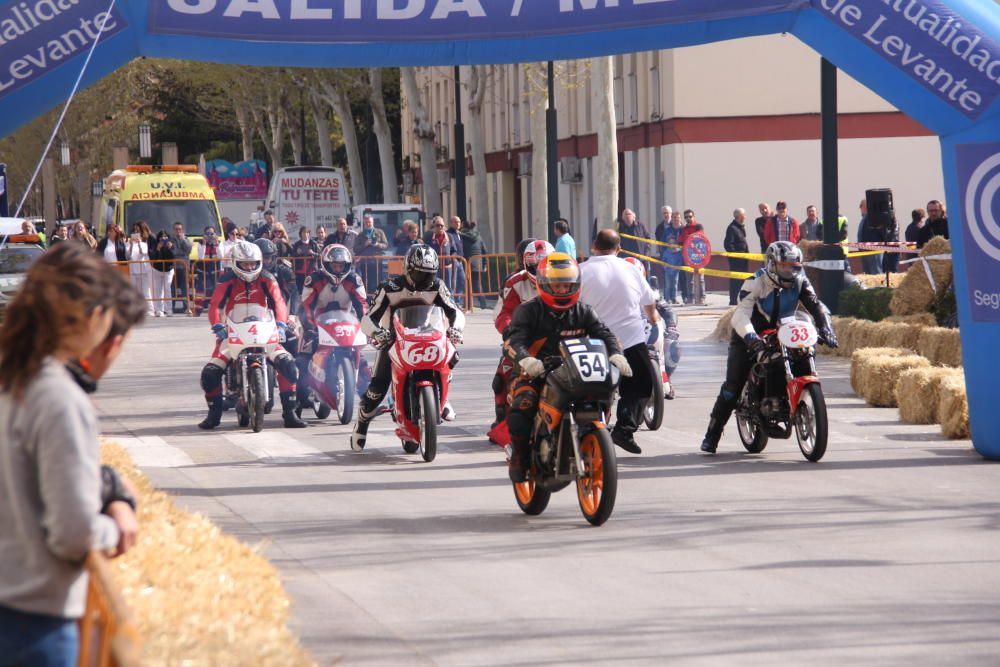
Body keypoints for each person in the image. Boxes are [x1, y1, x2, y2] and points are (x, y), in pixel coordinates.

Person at [0, 243, 138, 667]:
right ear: (95, 318)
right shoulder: (58, 397)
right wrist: (117, 528)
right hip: (35, 622)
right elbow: (73, 533)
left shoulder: (12, 375)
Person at [700, 241, 837, 454]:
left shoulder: (800, 281)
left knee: (802, 357)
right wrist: (752, 339)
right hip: (749, 334)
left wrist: (826, 328)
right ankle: (712, 434)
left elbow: (816, 305)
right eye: (784, 266)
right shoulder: (755, 283)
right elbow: (740, 314)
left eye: (793, 266)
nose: (789, 270)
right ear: (772, 264)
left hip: (784, 331)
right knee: (732, 387)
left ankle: (786, 398)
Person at [504, 252, 630, 481]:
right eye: (557, 285)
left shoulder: (584, 311)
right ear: (544, 284)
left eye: (567, 285)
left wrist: (616, 355)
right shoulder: (528, 311)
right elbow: (513, 342)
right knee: (524, 403)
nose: (562, 290)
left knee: (605, 390)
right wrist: (528, 361)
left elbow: (604, 334)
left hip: (575, 372)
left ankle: (594, 433)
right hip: (534, 373)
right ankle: (520, 457)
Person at [350, 244, 465, 451]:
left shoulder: (437, 286)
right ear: (408, 269)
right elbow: (368, 318)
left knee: (453, 355)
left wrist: (456, 328)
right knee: (377, 388)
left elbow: (454, 311)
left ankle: (443, 398)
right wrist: (377, 333)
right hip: (394, 340)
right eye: (419, 274)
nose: (424, 279)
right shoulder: (389, 287)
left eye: (428, 274)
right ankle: (362, 423)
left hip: (429, 335)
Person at [197, 240, 306, 430]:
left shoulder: (267, 278)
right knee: (209, 373)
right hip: (232, 333)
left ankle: (290, 414)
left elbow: (279, 302)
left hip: (264, 331)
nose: (249, 267)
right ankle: (213, 415)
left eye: (253, 263)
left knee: (288, 364)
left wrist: (281, 324)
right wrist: (217, 325)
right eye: (245, 264)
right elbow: (215, 305)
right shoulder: (226, 279)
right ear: (235, 262)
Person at [579, 229, 658, 454]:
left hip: (593, 341)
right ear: (619, 248)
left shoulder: (582, 271)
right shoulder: (631, 269)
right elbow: (649, 300)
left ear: (594, 245)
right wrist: (653, 319)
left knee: (588, 386)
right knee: (641, 385)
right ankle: (624, 428)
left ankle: (588, 429)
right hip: (630, 340)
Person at [490, 240, 553, 428]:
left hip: (559, 339)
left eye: (545, 265)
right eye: (535, 266)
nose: (540, 271)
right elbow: (504, 312)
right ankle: (502, 418)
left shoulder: (566, 276)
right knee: (503, 373)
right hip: (524, 341)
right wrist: (509, 329)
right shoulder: (515, 282)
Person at [298, 244, 370, 407]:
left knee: (361, 358)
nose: (338, 269)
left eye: (341, 266)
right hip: (316, 324)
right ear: (326, 264)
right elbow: (306, 305)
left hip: (346, 322)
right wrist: (309, 327)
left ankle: (368, 397)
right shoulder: (314, 279)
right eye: (334, 265)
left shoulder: (354, 279)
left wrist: (367, 325)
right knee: (303, 357)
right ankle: (300, 399)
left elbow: (362, 305)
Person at [255, 238, 301, 317]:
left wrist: (292, 315)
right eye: (258, 258)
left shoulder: (284, 272)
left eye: (266, 258)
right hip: (252, 316)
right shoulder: (245, 274)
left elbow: (294, 294)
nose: (262, 262)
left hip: (278, 315)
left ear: (273, 258)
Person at [459, 219, 489, 310]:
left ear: (463, 226)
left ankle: (468, 304)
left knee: (466, 284)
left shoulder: (461, 236)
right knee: (477, 284)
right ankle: (482, 302)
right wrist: (485, 264)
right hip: (478, 262)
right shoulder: (478, 236)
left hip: (466, 262)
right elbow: (485, 250)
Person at [354, 215, 389, 292]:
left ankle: (378, 296)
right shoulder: (360, 234)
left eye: (369, 222)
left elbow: (386, 245)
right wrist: (365, 244)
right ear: (364, 223)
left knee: (378, 280)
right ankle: (368, 298)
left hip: (377, 261)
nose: (368, 224)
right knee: (366, 281)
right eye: (366, 222)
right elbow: (355, 249)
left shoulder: (380, 232)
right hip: (365, 262)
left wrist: (377, 244)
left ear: (373, 222)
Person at [127, 221, 154, 316]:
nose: (136, 233)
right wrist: (130, 245)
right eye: (134, 231)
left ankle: (150, 310)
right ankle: (134, 310)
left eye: (137, 231)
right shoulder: (129, 243)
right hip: (133, 270)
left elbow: (143, 253)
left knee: (146, 291)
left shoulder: (144, 243)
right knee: (134, 292)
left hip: (143, 270)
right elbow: (128, 256)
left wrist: (138, 244)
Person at [679, 209, 706, 305]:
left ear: (693, 217)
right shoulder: (683, 229)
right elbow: (680, 241)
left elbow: (700, 237)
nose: (688, 219)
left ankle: (702, 297)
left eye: (690, 216)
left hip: (699, 255)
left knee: (701, 278)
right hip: (688, 256)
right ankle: (691, 297)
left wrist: (689, 237)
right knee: (689, 279)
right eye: (686, 217)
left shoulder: (699, 226)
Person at [724, 208, 750, 306]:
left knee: (743, 282)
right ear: (739, 216)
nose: (745, 217)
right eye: (744, 215)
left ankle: (741, 300)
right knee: (736, 282)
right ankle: (733, 301)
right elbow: (728, 245)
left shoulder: (739, 227)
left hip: (743, 260)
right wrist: (737, 256)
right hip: (736, 261)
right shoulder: (732, 228)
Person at [194, 226, 221, 315]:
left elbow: (221, 256)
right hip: (203, 270)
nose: (210, 236)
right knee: (200, 290)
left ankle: (215, 308)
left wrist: (216, 243)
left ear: (215, 234)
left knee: (215, 289)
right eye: (207, 234)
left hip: (214, 270)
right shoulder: (200, 243)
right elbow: (201, 257)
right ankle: (198, 309)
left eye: (211, 234)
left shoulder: (219, 243)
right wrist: (205, 244)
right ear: (204, 235)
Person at [148, 230, 176, 317]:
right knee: (158, 290)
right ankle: (159, 310)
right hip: (157, 269)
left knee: (167, 289)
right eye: (162, 237)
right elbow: (153, 257)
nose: (164, 238)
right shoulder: (155, 245)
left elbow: (174, 256)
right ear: (158, 238)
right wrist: (158, 248)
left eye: (165, 236)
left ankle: (169, 310)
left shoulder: (171, 244)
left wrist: (170, 248)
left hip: (168, 270)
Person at [660, 210, 684, 305]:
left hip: (677, 263)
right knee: (668, 284)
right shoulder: (667, 231)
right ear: (671, 219)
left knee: (675, 283)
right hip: (668, 264)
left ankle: (674, 298)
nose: (675, 220)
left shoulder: (683, 229)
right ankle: (667, 298)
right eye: (674, 218)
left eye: (677, 218)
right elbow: (662, 244)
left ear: (680, 219)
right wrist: (664, 262)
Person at [170, 222, 193, 316]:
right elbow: (173, 252)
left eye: (179, 229)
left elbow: (188, 250)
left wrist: (183, 240)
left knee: (185, 288)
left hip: (184, 266)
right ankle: (171, 307)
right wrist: (181, 252)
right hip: (174, 267)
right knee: (173, 287)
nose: (178, 231)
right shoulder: (171, 240)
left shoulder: (186, 239)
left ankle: (186, 307)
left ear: (182, 230)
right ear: (173, 230)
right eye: (176, 229)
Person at [857, 198, 884, 274]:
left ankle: (879, 286)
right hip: (865, 251)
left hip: (873, 251)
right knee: (868, 274)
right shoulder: (864, 218)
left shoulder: (873, 217)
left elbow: (880, 232)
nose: (860, 209)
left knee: (876, 273)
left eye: (860, 206)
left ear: (865, 206)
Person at [291, 225, 321, 293]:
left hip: (312, 270)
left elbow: (320, 255)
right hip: (300, 271)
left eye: (307, 232)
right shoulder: (297, 244)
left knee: (312, 290)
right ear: (300, 234)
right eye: (303, 232)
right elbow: (292, 256)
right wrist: (297, 253)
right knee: (300, 290)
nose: (305, 234)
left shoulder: (314, 243)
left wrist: (313, 253)